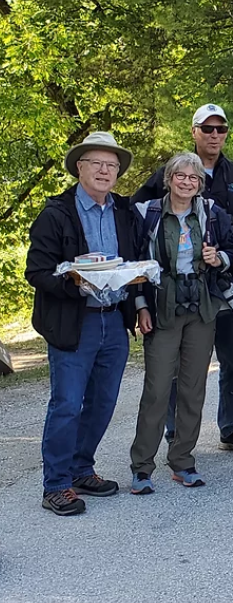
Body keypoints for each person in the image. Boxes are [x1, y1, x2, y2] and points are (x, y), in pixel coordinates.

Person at [133, 103, 233, 455]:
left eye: (221, 129)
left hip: (225, 288)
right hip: (175, 294)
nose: (215, 134)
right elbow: (137, 222)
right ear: (194, 132)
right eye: (207, 128)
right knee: (178, 369)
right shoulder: (170, 171)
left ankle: (231, 427)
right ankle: (175, 433)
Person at [25, 131, 141, 516]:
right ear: (80, 168)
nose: (105, 170)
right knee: (67, 404)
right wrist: (75, 283)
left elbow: (134, 259)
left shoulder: (124, 211)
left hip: (113, 320)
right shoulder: (55, 213)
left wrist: (138, 288)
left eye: (112, 165)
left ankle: (80, 468)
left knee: (104, 402)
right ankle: (55, 485)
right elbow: (37, 271)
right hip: (75, 321)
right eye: (97, 163)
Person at [130, 153, 233, 493]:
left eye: (193, 178)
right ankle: (142, 467)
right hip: (163, 308)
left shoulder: (211, 213)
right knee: (157, 388)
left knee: (194, 389)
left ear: (199, 184)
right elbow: (136, 264)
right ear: (169, 179)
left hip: (202, 309)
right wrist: (141, 306)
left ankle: (182, 461)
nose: (187, 182)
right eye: (180, 176)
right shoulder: (147, 214)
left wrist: (219, 257)